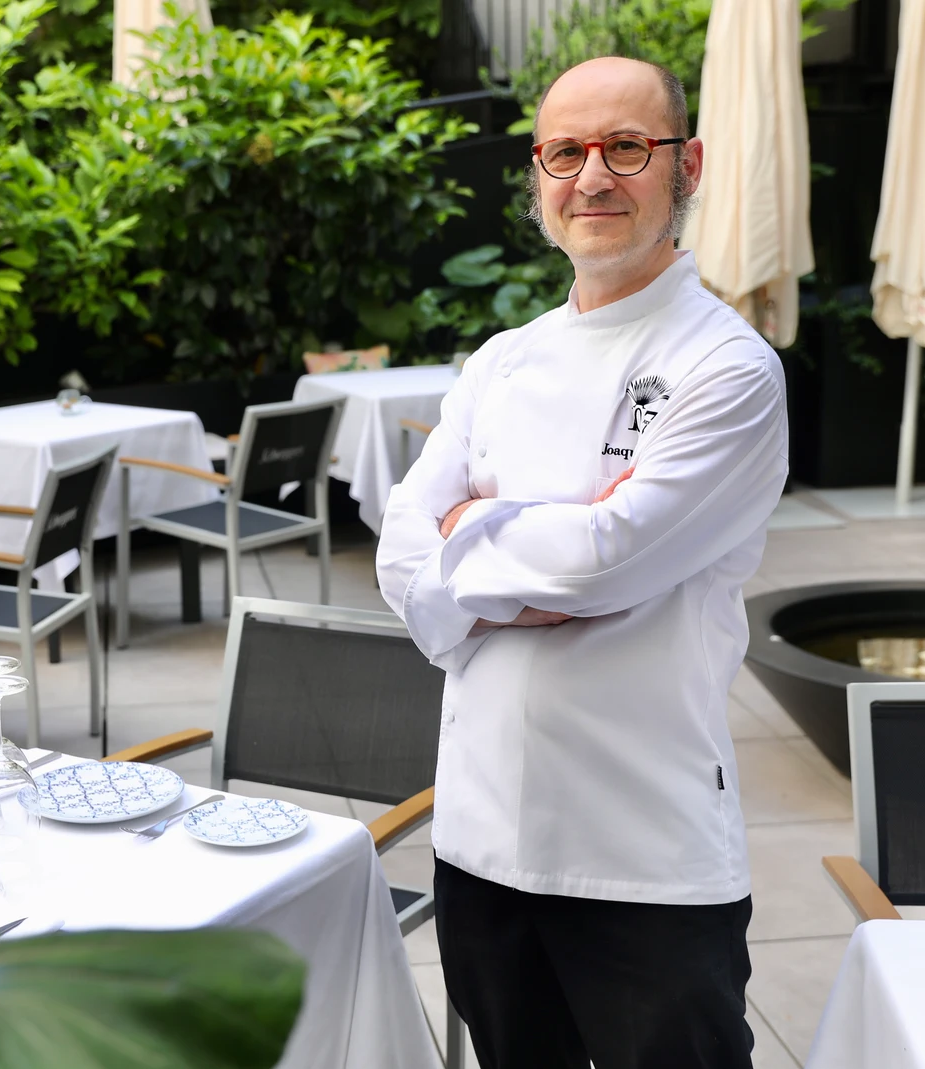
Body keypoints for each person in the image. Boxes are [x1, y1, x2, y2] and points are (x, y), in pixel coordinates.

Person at [376, 56, 789, 1069]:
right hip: (477, 839)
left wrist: (470, 534)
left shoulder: (727, 368)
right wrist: (527, 551)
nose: (593, 176)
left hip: (643, 857)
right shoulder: (502, 360)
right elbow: (397, 552)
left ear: (683, 165)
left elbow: (601, 560)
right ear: (537, 172)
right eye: (566, 151)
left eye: (625, 148)